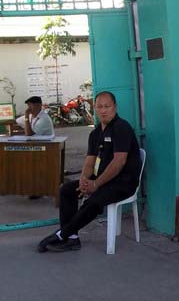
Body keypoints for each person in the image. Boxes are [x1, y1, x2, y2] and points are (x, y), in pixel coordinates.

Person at [37, 91, 141, 253]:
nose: (103, 110)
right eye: (99, 106)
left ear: (115, 107)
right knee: (66, 190)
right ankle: (72, 239)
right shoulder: (96, 133)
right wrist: (84, 180)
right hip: (101, 179)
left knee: (94, 201)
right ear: (94, 108)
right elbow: (90, 161)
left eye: (107, 106)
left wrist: (96, 184)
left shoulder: (122, 128)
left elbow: (118, 162)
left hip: (123, 182)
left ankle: (62, 235)